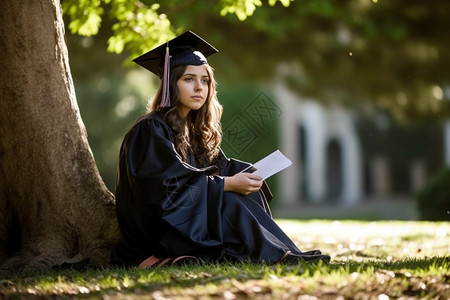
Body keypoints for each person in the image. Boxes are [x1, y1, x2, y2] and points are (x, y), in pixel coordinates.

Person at [110, 31, 330, 268]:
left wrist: (248, 174)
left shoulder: (192, 130)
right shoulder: (151, 129)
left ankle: (286, 251)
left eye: (204, 81)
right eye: (188, 79)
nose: (199, 88)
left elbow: (219, 167)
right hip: (159, 229)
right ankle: (278, 257)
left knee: (244, 190)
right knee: (228, 198)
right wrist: (227, 184)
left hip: (186, 221)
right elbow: (166, 188)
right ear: (170, 85)